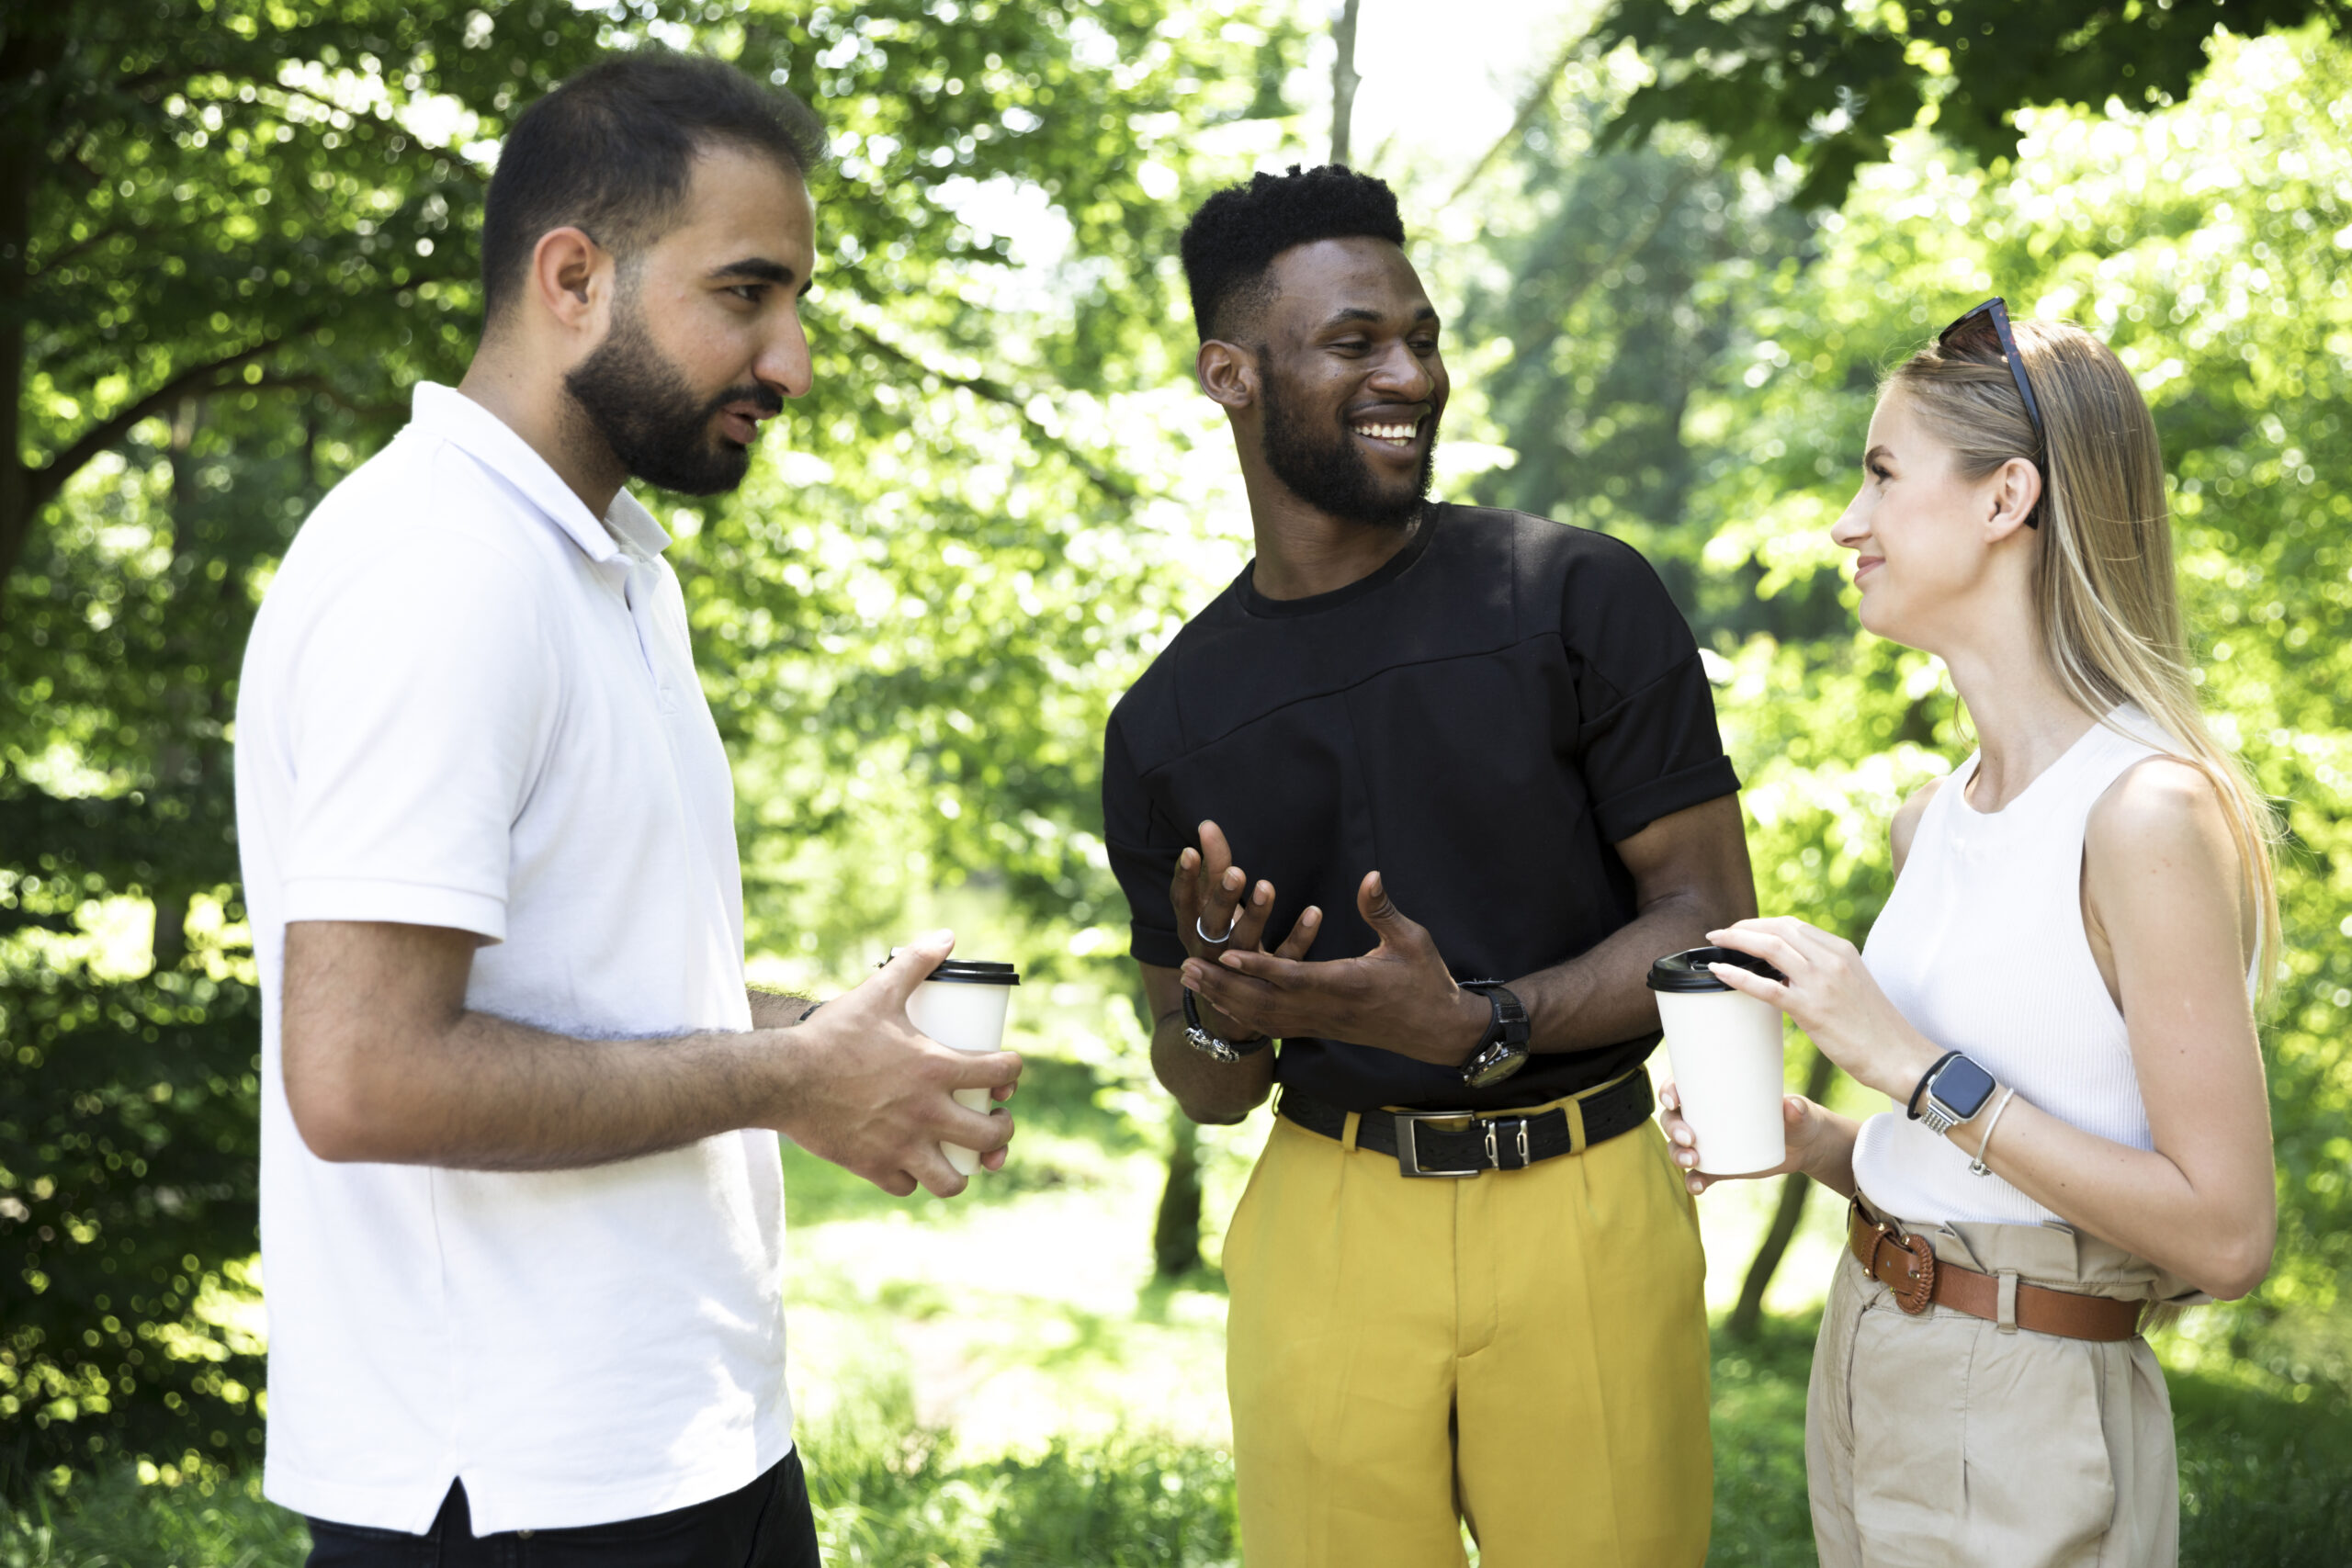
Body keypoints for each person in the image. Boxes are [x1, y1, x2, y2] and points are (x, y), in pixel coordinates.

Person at [233, 52, 1022, 1567]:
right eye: (746, 295)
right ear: (574, 277)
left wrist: (823, 1044)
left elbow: (587, 993)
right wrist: (783, 1087)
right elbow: (364, 1078)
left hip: (676, 1451)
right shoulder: (439, 569)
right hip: (518, 1493)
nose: (790, 360)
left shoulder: (604, 568)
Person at [1101, 164, 1757, 1568]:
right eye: (1356, 344)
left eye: (1424, 336)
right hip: (1325, 1224)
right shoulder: (1165, 725)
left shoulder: (1578, 595)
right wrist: (1222, 1000)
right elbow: (1206, 1084)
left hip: (1585, 1205)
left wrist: (1484, 1021)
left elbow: (1709, 922)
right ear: (1232, 372)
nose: (1412, 373)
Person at [1662, 300, 2278, 1567]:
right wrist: (1826, 1144)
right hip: (1874, 1349)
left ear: (2008, 500)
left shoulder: (2144, 811)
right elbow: (1986, 1161)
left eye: (1883, 474)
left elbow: (2226, 1234)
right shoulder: (1928, 820)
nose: (1848, 520)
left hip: (2028, 1401)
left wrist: (1907, 1067)